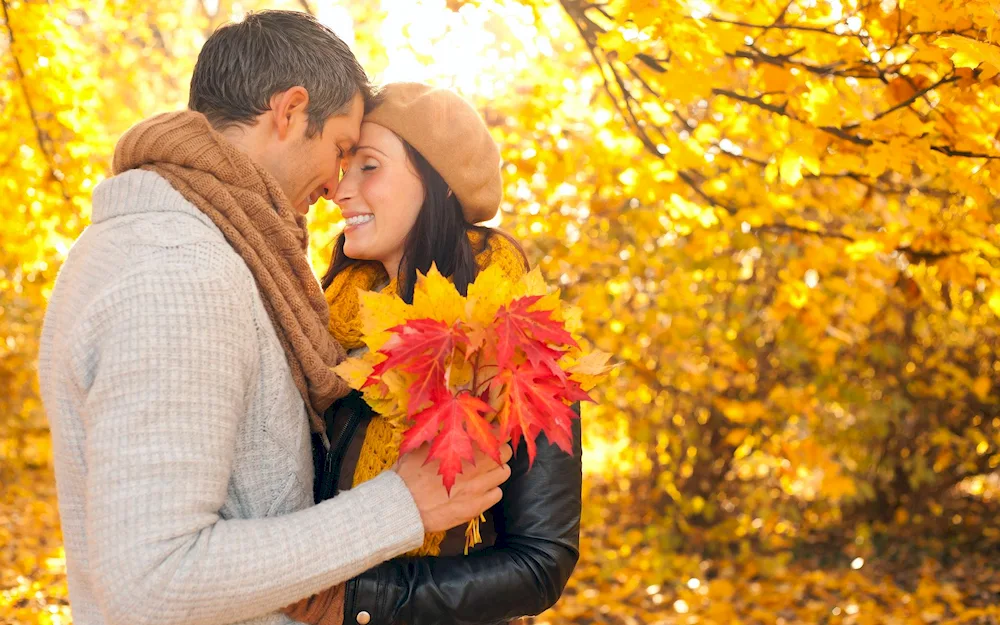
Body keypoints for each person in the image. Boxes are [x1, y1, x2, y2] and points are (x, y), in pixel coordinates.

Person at [37, 14, 510, 625]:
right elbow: (153, 580)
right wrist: (399, 505)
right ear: (289, 112)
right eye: (341, 151)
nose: (334, 187)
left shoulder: (185, 246)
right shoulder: (178, 271)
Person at [284, 83, 583, 625]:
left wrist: (357, 602)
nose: (340, 189)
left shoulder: (510, 345)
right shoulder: (326, 325)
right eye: (344, 165)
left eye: (369, 167)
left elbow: (541, 562)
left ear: (440, 186)